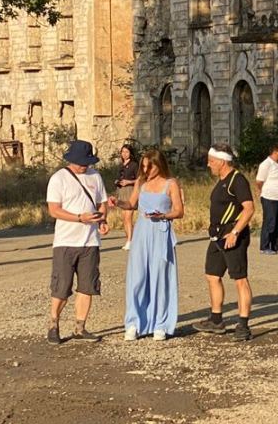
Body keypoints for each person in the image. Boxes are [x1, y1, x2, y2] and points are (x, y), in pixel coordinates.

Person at [45, 139, 109, 345]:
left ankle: (80, 327)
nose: (84, 166)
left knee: (87, 287)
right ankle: (54, 324)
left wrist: (102, 219)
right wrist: (80, 218)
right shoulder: (58, 179)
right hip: (65, 241)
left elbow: (102, 202)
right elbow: (54, 210)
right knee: (61, 287)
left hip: (90, 241)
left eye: (87, 162)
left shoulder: (95, 176)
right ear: (71, 160)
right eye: (81, 162)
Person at [195, 145, 255, 340]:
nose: (208, 164)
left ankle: (243, 325)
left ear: (222, 161)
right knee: (212, 275)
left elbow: (249, 208)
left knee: (240, 279)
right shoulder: (221, 181)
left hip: (232, 236)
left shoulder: (237, 180)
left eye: (211, 161)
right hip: (217, 237)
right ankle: (216, 319)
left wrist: (235, 232)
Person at [123, 148, 183, 341]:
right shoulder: (141, 183)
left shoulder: (170, 183)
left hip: (160, 231)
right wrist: (117, 203)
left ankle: (161, 323)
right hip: (142, 231)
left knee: (160, 277)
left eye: (150, 166)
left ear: (159, 165)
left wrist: (163, 215)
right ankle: (134, 322)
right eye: (144, 166)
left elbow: (179, 211)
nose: (146, 170)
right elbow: (131, 204)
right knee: (137, 276)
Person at [256, 141, 278, 254]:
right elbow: (259, 181)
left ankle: (275, 246)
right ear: (276, 152)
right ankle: (264, 247)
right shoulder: (266, 164)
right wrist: (262, 191)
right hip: (269, 198)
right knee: (270, 223)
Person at [113, 143, 138, 249]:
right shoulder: (121, 164)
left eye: (127, 152)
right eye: (122, 152)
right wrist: (117, 182)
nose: (124, 154)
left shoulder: (134, 165)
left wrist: (129, 182)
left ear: (131, 153)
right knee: (124, 217)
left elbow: (139, 179)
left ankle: (130, 241)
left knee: (128, 217)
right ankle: (129, 239)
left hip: (130, 191)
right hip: (121, 191)